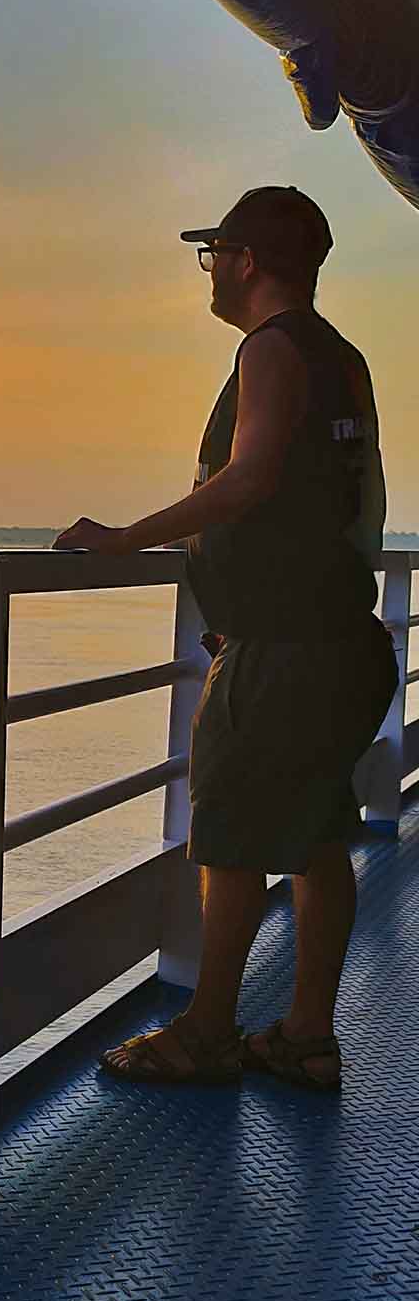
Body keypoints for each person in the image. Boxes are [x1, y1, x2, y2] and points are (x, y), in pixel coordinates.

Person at [52, 186, 398, 1091]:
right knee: (321, 835)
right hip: (338, 638)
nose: (209, 272)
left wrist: (125, 536)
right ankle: (306, 1037)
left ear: (244, 261)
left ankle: (207, 1030)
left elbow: (249, 481)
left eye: (214, 255)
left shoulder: (272, 349)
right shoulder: (343, 356)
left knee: (236, 841)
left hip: (287, 649)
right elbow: (347, 500)